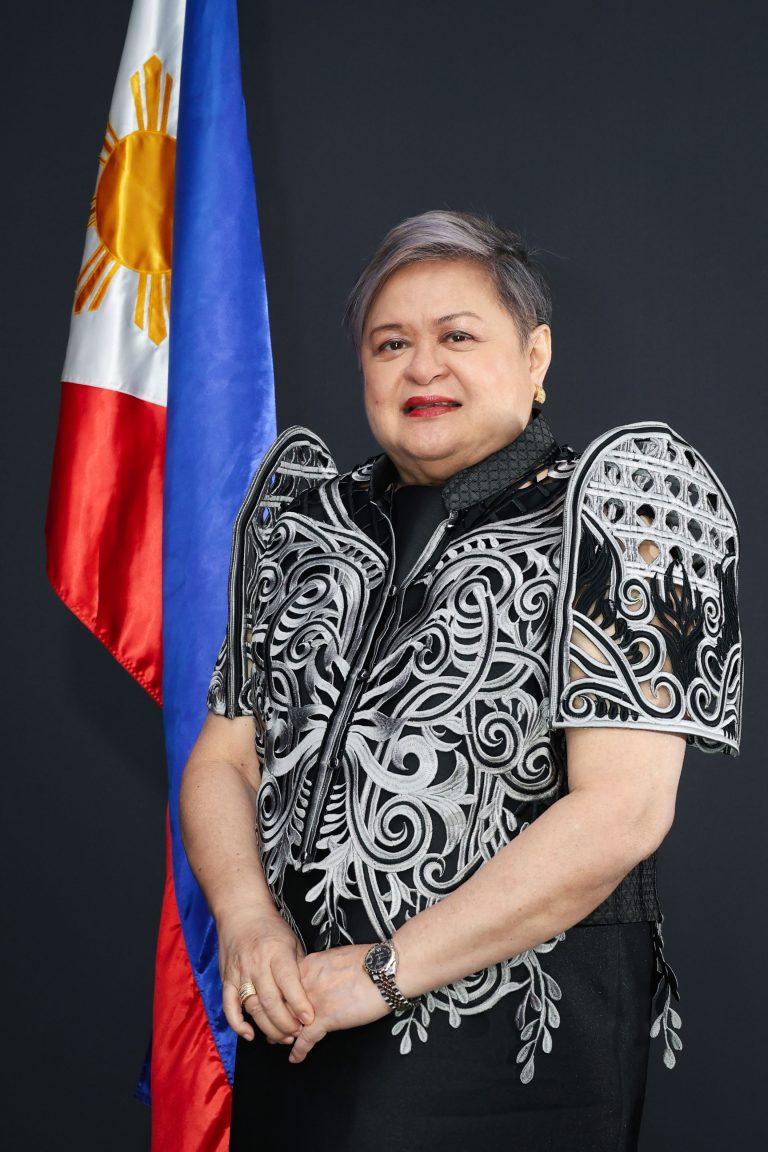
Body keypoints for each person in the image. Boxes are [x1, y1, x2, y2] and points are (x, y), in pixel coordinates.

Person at [180, 210, 742, 1151]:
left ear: (535, 355)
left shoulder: (624, 516)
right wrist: (245, 922)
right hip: (296, 1014)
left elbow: (624, 812)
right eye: (390, 343)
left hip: (511, 1056)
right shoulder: (306, 523)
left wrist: (384, 973)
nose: (422, 368)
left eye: (457, 337)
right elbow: (224, 759)